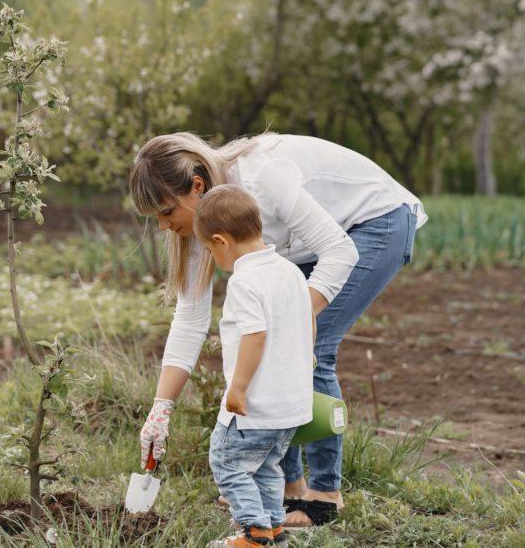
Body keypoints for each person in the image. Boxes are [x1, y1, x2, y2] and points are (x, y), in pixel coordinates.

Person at [131, 132, 426, 528]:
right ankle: (287, 484)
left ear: (196, 187)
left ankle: (324, 497)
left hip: (374, 222)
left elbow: (340, 251)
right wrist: (161, 408)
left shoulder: (264, 178)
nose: (165, 226)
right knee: (273, 343)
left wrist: (294, 320)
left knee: (308, 342)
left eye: (166, 212)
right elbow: (190, 319)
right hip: (309, 245)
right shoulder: (210, 217)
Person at [193, 185, 313, 548]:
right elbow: (308, 319)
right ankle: (275, 530)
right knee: (267, 468)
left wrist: (239, 388)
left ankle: (254, 533)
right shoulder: (290, 271)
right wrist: (306, 358)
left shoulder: (245, 280)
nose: (214, 258)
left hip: (255, 408)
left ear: (221, 241)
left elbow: (254, 335)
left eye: (211, 250)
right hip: (289, 408)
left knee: (227, 463)